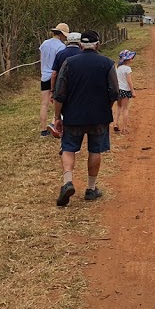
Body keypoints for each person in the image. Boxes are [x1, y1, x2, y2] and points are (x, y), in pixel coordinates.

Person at [52, 30, 120, 207]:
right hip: (99, 117)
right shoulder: (107, 64)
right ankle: (91, 188)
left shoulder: (69, 63)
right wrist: (107, 107)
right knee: (95, 150)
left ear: (81, 45)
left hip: (73, 116)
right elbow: (115, 92)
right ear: (98, 44)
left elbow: (59, 93)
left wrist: (57, 116)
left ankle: (67, 181)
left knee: (68, 149)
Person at [39, 23, 68, 136]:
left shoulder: (44, 43)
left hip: (44, 75)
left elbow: (42, 59)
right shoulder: (61, 47)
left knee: (44, 103)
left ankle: (43, 130)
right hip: (54, 76)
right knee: (59, 101)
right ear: (61, 34)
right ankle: (53, 124)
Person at [115, 50, 137, 133]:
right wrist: (133, 91)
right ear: (127, 59)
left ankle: (115, 124)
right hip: (125, 90)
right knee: (125, 109)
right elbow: (129, 81)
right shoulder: (127, 69)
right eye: (131, 58)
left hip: (118, 90)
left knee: (118, 107)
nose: (132, 59)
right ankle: (124, 128)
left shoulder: (119, 68)